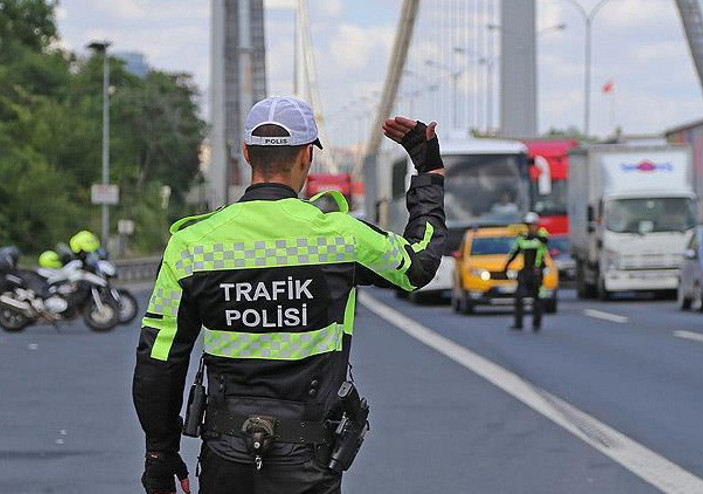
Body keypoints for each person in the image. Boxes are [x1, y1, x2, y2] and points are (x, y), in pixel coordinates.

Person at [132, 96, 447, 494]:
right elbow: (419, 264)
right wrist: (428, 173)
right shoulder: (341, 237)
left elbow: (159, 360)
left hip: (226, 454)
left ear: (247, 154)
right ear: (306, 157)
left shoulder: (191, 245)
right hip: (309, 455)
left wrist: (159, 453)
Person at [504, 212, 549, 332]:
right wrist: (506, 266)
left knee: (538, 299)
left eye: (532, 225)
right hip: (525, 272)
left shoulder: (541, 236)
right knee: (519, 297)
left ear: (536, 225)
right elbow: (514, 253)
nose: (530, 227)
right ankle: (518, 323)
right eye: (528, 225)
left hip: (537, 272)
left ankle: (536, 324)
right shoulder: (522, 239)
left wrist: (536, 235)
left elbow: (545, 240)